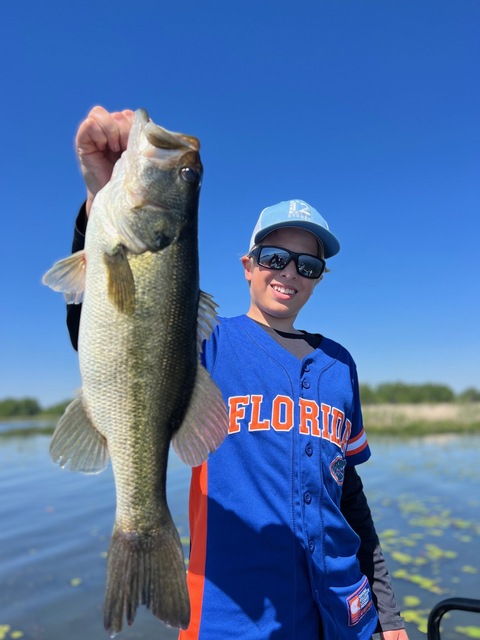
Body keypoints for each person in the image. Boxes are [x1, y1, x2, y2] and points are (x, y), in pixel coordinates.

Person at [66, 106, 409, 640]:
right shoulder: (207, 342)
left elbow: (351, 499)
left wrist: (387, 618)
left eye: (308, 265)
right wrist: (96, 202)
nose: (289, 273)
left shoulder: (339, 365)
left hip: (347, 620)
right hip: (233, 621)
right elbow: (117, 336)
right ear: (248, 265)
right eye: (274, 257)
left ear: (319, 279)